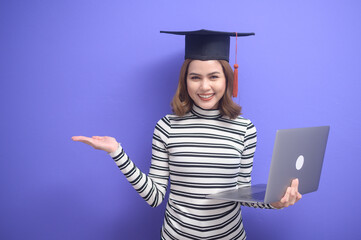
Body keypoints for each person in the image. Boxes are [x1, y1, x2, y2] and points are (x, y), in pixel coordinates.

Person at [72, 30, 302, 239]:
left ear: (227, 79)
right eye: (195, 77)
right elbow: (155, 197)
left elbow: (242, 192)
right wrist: (117, 152)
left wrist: (275, 202)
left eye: (213, 76)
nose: (204, 87)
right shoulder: (167, 127)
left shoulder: (245, 129)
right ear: (185, 80)